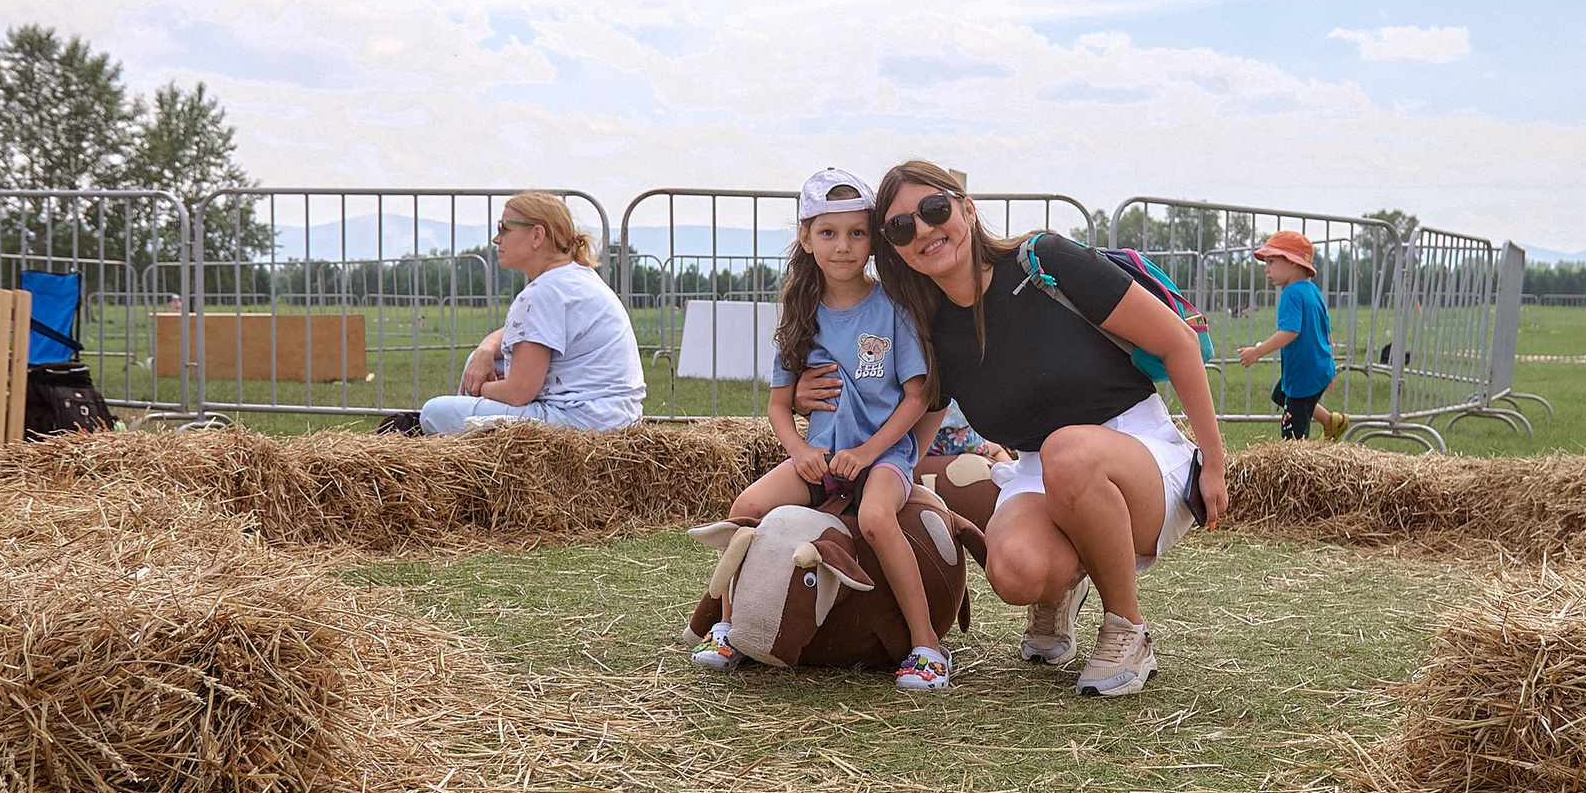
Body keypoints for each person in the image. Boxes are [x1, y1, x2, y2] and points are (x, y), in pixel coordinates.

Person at [868, 160, 1226, 697]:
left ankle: (1127, 628)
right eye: (900, 227)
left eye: (934, 209)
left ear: (966, 208)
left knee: (1068, 451)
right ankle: (1061, 587)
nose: (923, 230)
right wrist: (885, 470)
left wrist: (1215, 462)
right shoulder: (928, 323)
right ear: (893, 247)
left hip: (1137, 449)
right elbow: (928, 406)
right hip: (1045, 466)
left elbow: (1178, 342)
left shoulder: (1043, 262)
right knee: (1013, 573)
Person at [691, 170, 949, 694]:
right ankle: (730, 626)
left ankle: (927, 647)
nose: (843, 246)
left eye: (857, 233)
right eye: (828, 233)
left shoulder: (894, 308)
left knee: (876, 519)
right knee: (748, 508)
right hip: (821, 459)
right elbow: (779, 405)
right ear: (806, 239)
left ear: (872, 240)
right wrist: (799, 451)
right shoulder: (799, 311)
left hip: (882, 458)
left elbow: (918, 397)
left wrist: (871, 452)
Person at [421, 192, 645, 434]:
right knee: (478, 361)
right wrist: (485, 348)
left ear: (537, 235)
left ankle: (466, 458)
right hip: (611, 419)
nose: (497, 239)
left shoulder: (544, 292)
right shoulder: (573, 278)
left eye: (505, 229)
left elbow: (519, 392)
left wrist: (481, 387)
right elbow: (523, 334)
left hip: (578, 424)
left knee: (433, 413)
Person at [1235, 230, 1347, 440]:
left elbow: (1290, 332)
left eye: (1271, 262)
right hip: (1318, 369)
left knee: (1293, 438)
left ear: (1293, 262)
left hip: (1303, 375)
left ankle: (1299, 465)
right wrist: (1329, 365)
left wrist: (1257, 351)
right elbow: (1326, 330)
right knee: (1281, 394)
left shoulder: (1291, 294)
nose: (1267, 270)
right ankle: (1331, 421)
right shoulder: (1312, 291)